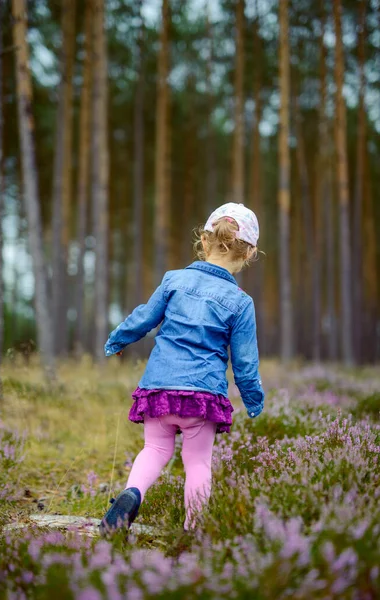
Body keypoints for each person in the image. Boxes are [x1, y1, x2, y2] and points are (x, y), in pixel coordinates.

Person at [99, 202, 265, 536]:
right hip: (202, 395)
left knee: (155, 449)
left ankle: (132, 494)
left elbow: (145, 317)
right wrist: (253, 399)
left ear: (204, 241)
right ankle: (192, 531)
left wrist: (118, 340)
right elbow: (245, 362)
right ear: (249, 254)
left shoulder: (173, 280)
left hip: (159, 387)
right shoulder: (241, 302)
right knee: (198, 463)